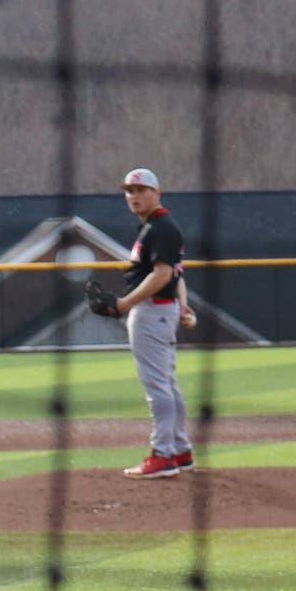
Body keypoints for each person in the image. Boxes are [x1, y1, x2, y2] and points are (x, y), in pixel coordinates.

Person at [112, 168, 198, 479]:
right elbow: (177, 273)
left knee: (158, 385)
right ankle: (179, 450)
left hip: (152, 312)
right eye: (129, 191)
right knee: (167, 383)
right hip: (162, 310)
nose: (134, 196)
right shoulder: (158, 227)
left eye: (140, 190)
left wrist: (124, 304)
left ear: (156, 193)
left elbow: (162, 275)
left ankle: (162, 455)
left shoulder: (160, 227)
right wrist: (182, 304)